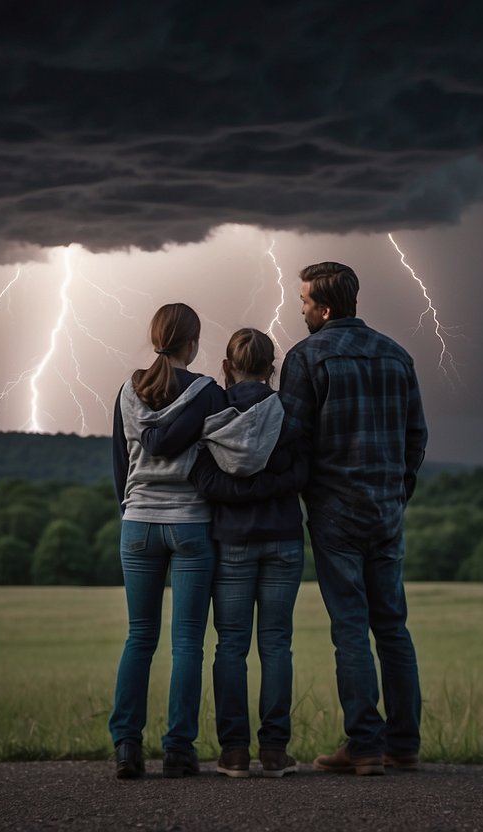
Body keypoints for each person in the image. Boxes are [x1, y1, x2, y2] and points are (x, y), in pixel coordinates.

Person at [278, 261, 428, 776]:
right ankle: (404, 744)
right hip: (386, 510)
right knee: (392, 627)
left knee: (350, 629)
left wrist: (304, 499)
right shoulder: (397, 356)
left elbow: (293, 440)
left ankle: (364, 746)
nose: (298, 310)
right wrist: (396, 491)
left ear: (323, 307)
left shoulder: (306, 358)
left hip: (335, 511)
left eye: (302, 302)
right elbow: (417, 437)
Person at [140, 328, 307, 779]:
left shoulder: (214, 407)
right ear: (272, 368)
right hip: (285, 540)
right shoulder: (290, 412)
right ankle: (274, 751)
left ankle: (233, 752)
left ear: (227, 368)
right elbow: (303, 473)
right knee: (276, 645)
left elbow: (203, 478)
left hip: (232, 541)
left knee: (231, 646)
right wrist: (269, 487)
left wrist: (240, 494)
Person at [108, 302, 232, 779]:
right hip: (191, 525)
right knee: (187, 644)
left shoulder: (126, 390)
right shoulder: (207, 392)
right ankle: (179, 749)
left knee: (139, 637)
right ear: (193, 343)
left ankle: (127, 746)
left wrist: (132, 510)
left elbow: (120, 465)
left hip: (137, 524)